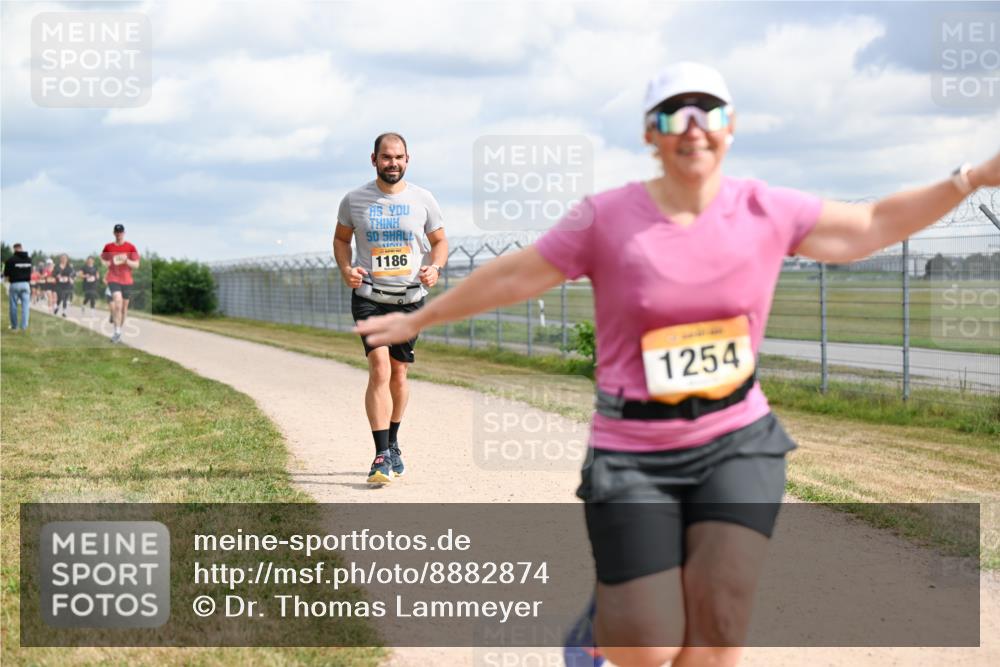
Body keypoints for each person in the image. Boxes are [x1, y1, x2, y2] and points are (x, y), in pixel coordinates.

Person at [355, 62, 1000, 666]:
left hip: (738, 440)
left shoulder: (764, 209)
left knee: (718, 627)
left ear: (731, 125)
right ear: (649, 133)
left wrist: (969, 179)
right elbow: (517, 276)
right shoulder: (606, 218)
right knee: (646, 641)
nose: (692, 127)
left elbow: (870, 225)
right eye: (672, 114)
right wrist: (419, 318)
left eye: (708, 111)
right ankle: (606, 625)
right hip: (633, 448)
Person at [334, 132, 448, 484]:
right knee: (379, 368)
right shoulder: (354, 200)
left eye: (398, 157)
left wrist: (435, 267)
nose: (392, 163)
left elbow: (440, 241)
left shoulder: (423, 199)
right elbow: (341, 239)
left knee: (399, 373)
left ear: (407, 159)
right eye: (386, 157)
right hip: (369, 297)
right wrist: (346, 269)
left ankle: (393, 441)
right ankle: (380, 455)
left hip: (409, 300)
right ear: (374, 160)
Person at [100, 223, 140, 343]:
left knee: (124, 308)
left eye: (121, 232)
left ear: (124, 233)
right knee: (118, 303)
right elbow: (102, 258)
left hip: (127, 280)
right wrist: (105, 263)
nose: (119, 234)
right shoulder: (108, 247)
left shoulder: (131, 247)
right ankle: (116, 331)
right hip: (113, 279)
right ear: (114, 233)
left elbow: (137, 265)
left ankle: (119, 331)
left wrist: (126, 260)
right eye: (117, 232)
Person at [3, 243, 33, 331]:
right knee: (25, 306)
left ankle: (14, 326)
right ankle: (24, 327)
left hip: (15, 284)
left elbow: (6, 274)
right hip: (26, 284)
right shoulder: (29, 260)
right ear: (21, 248)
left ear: (14, 249)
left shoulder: (10, 260)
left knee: (13, 306)